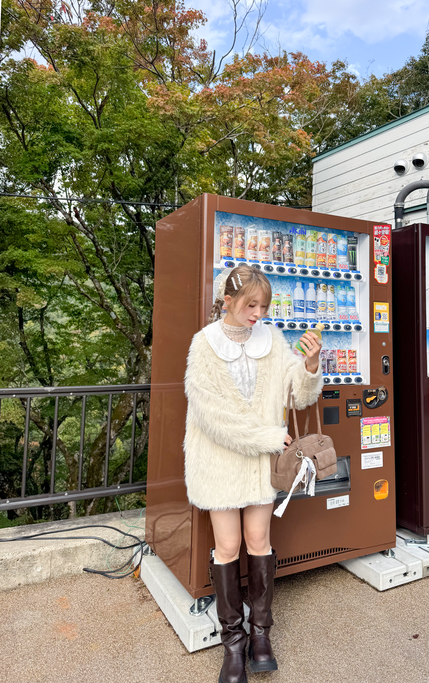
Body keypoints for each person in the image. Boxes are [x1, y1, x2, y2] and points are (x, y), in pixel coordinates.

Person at [184, 263, 323, 683]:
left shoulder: (272, 339)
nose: (258, 314)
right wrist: (267, 436)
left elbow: (297, 396)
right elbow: (212, 417)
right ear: (227, 301)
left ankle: (261, 636)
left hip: (261, 464)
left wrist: (310, 364)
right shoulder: (204, 344)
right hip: (220, 461)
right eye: (250, 305)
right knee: (227, 547)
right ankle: (233, 644)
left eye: (263, 306)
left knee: (258, 541)